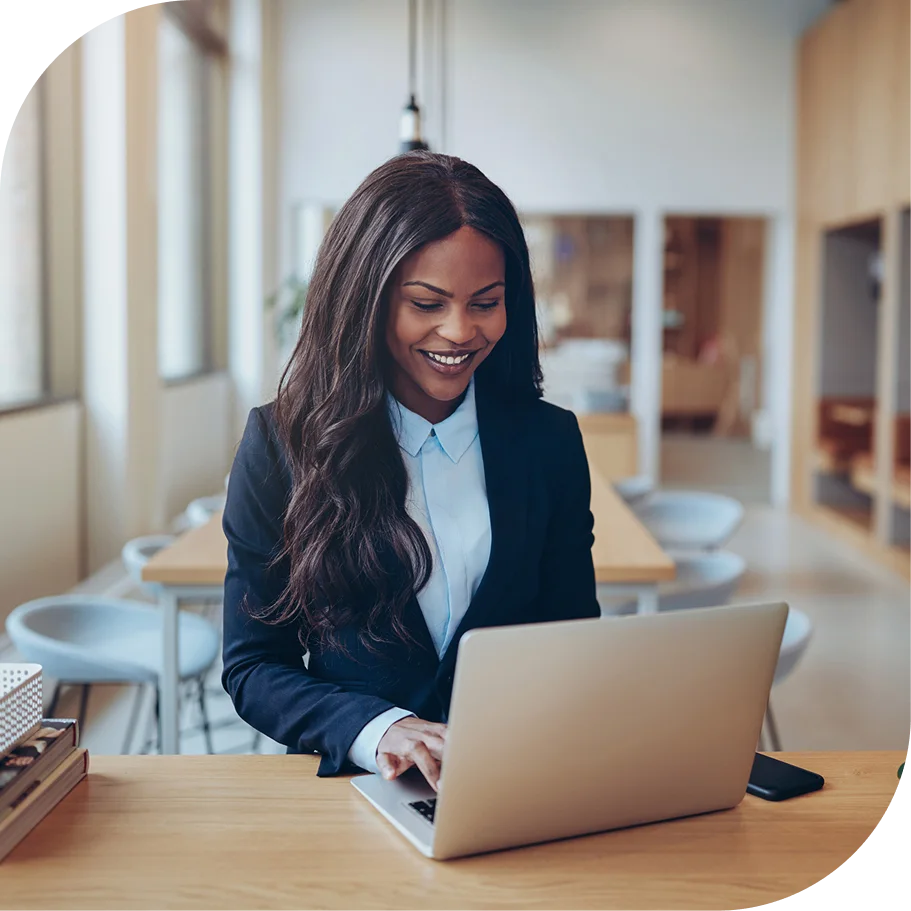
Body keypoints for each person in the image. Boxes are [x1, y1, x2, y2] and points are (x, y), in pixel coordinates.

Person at [222, 151, 600, 790]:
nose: (460, 332)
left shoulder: (549, 441)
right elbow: (255, 666)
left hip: (513, 783)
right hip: (355, 790)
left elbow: (569, 635)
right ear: (364, 301)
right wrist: (381, 729)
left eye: (487, 302)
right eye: (426, 302)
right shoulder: (282, 443)